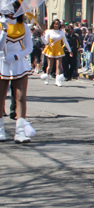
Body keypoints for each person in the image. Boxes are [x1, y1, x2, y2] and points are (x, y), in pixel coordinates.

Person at [0, 10, 35, 143]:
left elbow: (29, 48)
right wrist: (4, 30)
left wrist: (16, 56)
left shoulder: (24, 26)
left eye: (15, 8)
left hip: (18, 62)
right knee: (1, 97)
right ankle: (0, 130)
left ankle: (20, 132)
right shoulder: (1, 24)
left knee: (21, 97)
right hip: (2, 62)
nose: (12, 12)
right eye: (10, 8)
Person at [42, 18, 71, 86]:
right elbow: (45, 41)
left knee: (58, 66)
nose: (56, 25)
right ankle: (47, 78)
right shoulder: (48, 31)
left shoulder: (61, 32)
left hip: (58, 49)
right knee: (50, 65)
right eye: (55, 24)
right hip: (50, 49)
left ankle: (57, 81)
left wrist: (70, 50)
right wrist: (42, 38)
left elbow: (65, 42)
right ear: (53, 24)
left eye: (58, 24)